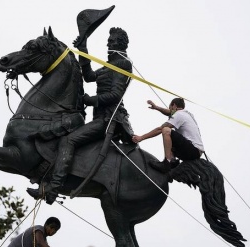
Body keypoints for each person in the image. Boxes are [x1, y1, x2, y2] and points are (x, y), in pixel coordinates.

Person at [27, 27, 134, 204]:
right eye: (109, 39)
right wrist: (83, 49)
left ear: (121, 43)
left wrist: (91, 100)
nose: (109, 43)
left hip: (109, 119)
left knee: (68, 140)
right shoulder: (111, 65)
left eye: (112, 40)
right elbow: (90, 76)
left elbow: (116, 94)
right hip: (100, 118)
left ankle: (53, 188)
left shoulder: (123, 63)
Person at [132, 98, 204, 172]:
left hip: (193, 150)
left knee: (166, 130)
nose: (169, 111)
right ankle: (173, 161)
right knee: (171, 139)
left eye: (170, 107)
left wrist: (141, 137)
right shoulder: (186, 114)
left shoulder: (179, 115)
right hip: (195, 151)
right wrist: (156, 107)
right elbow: (169, 112)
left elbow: (160, 129)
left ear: (174, 105)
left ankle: (167, 162)